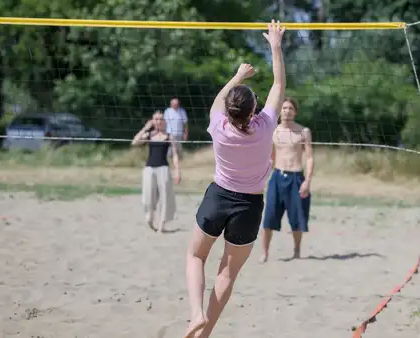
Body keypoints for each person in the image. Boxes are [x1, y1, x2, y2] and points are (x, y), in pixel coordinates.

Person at [181, 20, 285, 338]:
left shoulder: (218, 127)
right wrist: (276, 47)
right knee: (227, 272)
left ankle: (196, 313)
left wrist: (238, 75)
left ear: (228, 112)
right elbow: (279, 87)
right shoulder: (266, 126)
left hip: (219, 197)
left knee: (196, 255)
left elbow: (221, 99)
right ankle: (205, 331)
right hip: (250, 205)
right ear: (254, 110)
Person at [259, 97, 314, 262]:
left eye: (290, 108)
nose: (287, 111)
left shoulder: (303, 131)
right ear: (279, 111)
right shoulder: (273, 131)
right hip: (277, 177)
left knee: (297, 218)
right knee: (268, 218)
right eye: (284, 108)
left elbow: (310, 158)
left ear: (295, 111)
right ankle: (265, 253)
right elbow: (270, 158)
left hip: (296, 176)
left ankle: (297, 250)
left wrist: (307, 181)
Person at [132, 110, 181, 233]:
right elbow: (135, 142)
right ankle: (150, 219)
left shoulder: (169, 137)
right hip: (149, 169)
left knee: (165, 197)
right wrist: (146, 128)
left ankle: (162, 224)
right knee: (148, 197)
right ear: (153, 121)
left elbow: (174, 155)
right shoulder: (149, 135)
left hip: (163, 169)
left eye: (160, 119)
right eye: (156, 119)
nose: (158, 121)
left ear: (164, 121)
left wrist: (177, 171)